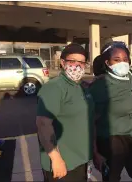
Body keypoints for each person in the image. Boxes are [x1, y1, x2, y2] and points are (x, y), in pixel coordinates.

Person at [89, 41, 132, 182]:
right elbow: (91, 122)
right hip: (112, 142)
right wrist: (95, 152)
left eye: (125, 60)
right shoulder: (100, 86)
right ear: (107, 62)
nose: (122, 63)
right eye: (116, 60)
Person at [36, 43, 95, 182]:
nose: (77, 65)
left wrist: (94, 151)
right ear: (63, 62)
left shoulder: (82, 87)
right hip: (64, 163)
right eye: (72, 61)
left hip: (81, 159)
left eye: (81, 62)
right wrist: (56, 159)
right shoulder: (54, 87)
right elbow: (43, 124)